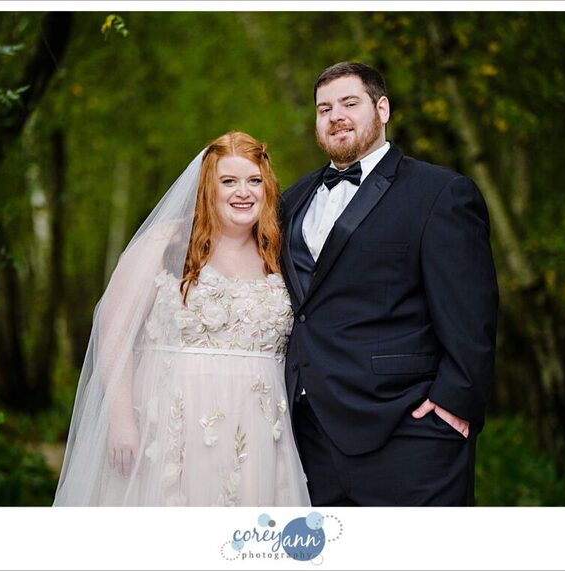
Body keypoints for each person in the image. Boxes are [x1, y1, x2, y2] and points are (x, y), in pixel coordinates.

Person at [280, 62, 499, 506]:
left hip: (409, 431)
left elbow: (471, 313)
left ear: (382, 109)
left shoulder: (441, 193)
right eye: (324, 108)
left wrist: (455, 404)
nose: (335, 115)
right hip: (308, 435)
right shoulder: (292, 199)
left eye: (349, 103)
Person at [54, 131, 310, 506]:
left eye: (254, 181)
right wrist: (122, 417)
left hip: (257, 435)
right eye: (229, 181)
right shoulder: (166, 243)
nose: (244, 192)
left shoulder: (279, 254)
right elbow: (114, 329)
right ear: (207, 188)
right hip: (172, 429)